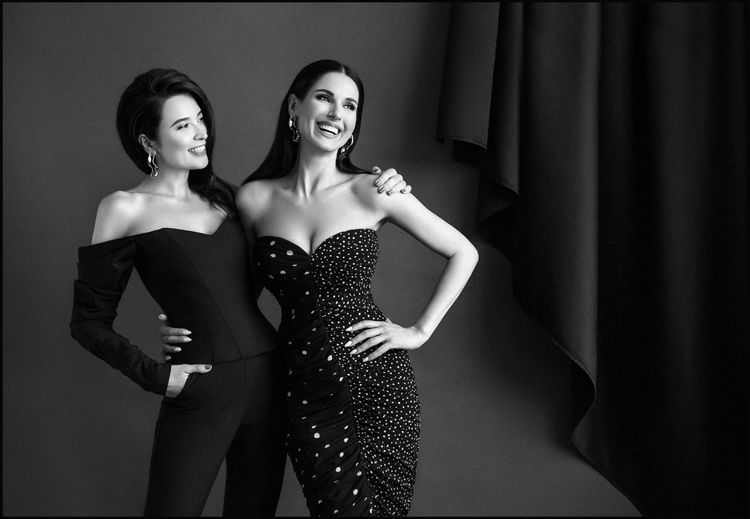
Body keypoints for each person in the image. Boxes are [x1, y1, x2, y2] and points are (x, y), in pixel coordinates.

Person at [69, 67, 411, 517]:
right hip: (203, 386)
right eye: (182, 125)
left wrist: (386, 184)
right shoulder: (122, 208)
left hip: (273, 380)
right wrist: (156, 375)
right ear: (148, 142)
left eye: (201, 119)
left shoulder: (232, 199)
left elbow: (261, 281)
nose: (201, 134)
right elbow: (87, 321)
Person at [161, 59, 479, 517]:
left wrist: (418, 331)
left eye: (349, 106)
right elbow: (231, 296)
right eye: (325, 98)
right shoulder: (254, 199)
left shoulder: (374, 189)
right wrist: (183, 323)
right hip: (304, 387)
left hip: (378, 384)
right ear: (295, 107)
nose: (336, 113)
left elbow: (463, 251)